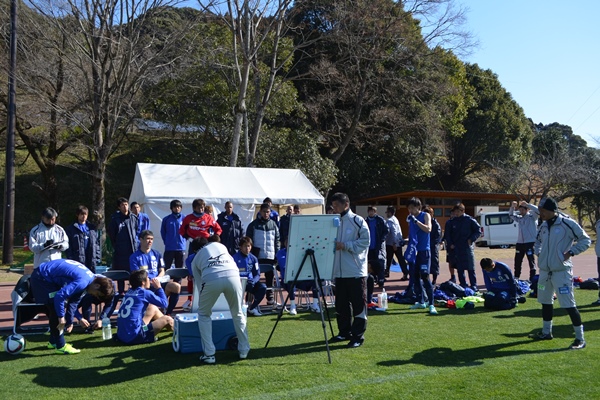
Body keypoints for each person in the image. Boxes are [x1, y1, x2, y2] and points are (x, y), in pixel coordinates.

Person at [529, 197, 591, 350]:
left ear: (551, 210)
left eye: (543, 210)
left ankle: (580, 338)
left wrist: (570, 252)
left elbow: (585, 240)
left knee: (568, 304)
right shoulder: (543, 225)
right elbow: (537, 241)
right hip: (545, 272)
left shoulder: (567, 223)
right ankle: (546, 332)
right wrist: (539, 253)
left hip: (561, 272)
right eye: (540, 210)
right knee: (545, 301)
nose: (541, 213)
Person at [29, 259, 114, 354]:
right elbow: (60, 296)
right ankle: (60, 346)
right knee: (54, 310)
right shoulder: (83, 282)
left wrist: (70, 322)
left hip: (46, 276)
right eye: (97, 294)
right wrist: (61, 317)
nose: (95, 296)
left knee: (54, 309)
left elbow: (74, 302)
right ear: (97, 286)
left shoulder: (89, 279)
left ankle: (53, 342)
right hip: (42, 277)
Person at [191, 238, 251, 364]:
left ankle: (209, 354)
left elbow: (200, 285)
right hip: (234, 275)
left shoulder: (195, 259)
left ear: (195, 250)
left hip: (211, 277)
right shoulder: (221, 245)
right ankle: (244, 350)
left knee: (203, 314)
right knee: (238, 312)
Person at [330, 192, 370, 348]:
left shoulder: (358, 221)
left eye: (336, 205)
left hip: (355, 272)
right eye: (333, 205)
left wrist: (345, 246)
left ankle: (358, 336)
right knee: (341, 305)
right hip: (339, 272)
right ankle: (344, 332)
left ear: (346, 204)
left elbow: (365, 242)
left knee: (358, 305)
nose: (334, 208)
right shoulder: (333, 221)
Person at [129, 230, 181, 315]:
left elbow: (162, 270)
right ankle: (151, 312)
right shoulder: (134, 257)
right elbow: (136, 274)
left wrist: (158, 278)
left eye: (151, 239)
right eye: (148, 239)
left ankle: (168, 313)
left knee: (176, 286)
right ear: (141, 240)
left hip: (157, 282)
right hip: (145, 285)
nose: (150, 241)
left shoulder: (157, 254)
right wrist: (148, 281)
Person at [116, 269, 174, 344]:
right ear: (143, 282)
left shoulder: (129, 292)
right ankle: (179, 329)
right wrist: (159, 288)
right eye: (148, 278)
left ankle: (170, 326)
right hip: (135, 335)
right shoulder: (144, 292)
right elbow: (164, 304)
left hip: (122, 335)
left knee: (152, 308)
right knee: (167, 319)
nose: (149, 280)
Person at [405, 198, 437, 315]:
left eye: (412, 208)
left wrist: (416, 221)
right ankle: (421, 301)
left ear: (418, 207)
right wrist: (405, 241)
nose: (410, 210)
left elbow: (428, 229)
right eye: (409, 208)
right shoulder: (410, 219)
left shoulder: (425, 215)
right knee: (415, 276)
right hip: (414, 252)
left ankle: (431, 304)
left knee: (425, 276)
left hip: (424, 251)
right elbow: (413, 236)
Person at [246, 203, 280, 306]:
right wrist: (251, 255)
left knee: (270, 278)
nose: (266, 214)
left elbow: (277, 240)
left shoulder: (274, 225)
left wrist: (277, 254)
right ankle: (249, 299)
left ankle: (270, 298)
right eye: (264, 211)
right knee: (253, 278)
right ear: (260, 212)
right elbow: (248, 241)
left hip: (270, 256)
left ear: (270, 212)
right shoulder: (253, 225)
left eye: (268, 212)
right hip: (257, 257)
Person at [276, 238, 321, 315]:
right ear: (285, 243)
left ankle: (315, 304)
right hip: (287, 280)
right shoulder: (280, 253)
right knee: (291, 282)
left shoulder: (299, 251)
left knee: (315, 280)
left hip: (301, 278)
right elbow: (284, 265)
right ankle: (293, 306)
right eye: (288, 243)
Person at [444, 203, 481, 291]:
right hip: (456, 247)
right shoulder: (451, 222)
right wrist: (450, 244)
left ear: (463, 211)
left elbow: (478, 230)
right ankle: (463, 284)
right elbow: (447, 235)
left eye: (458, 211)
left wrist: (471, 239)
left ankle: (473, 285)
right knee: (460, 268)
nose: (456, 213)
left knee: (470, 267)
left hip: (467, 247)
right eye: (455, 212)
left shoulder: (469, 220)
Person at [107, 197, 139, 294]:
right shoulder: (115, 219)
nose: (125, 207)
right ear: (119, 207)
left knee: (133, 271)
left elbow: (137, 231)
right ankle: (121, 291)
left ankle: (133, 289)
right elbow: (112, 234)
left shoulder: (133, 218)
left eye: (126, 204)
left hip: (132, 249)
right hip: (120, 250)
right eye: (122, 205)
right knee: (121, 271)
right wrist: (117, 245)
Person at [233, 236, 267, 316]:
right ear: (240, 247)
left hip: (250, 282)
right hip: (238, 282)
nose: (247, 248)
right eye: (245, 246)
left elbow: (257, 273)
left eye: (249, 246)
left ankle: (252, 308)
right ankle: (238, 309)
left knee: (262, 287)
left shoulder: (253, 258)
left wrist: (253, 281)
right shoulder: (234, 258)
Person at [509, 200, 540, 281]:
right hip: (520, 243)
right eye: (520, 210)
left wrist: (528, 205)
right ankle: (516, 277)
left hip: (530, 242)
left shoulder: (532, 217)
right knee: (517, 261)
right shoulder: (519, 218)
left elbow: (538, 211)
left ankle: (532, 278)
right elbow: (511, 215)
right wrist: (512, 207)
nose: (521, 211)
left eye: (523, 210)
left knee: (531, 260)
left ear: (527, 210)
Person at [65, 205, 101, 273]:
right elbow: (68, 246)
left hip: (91, 259)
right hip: (77, 260)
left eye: (85, 214)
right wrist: (71, 258)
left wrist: (97, 257)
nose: (84, 216)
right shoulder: (71, 229)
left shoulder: (92, 228)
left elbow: (96, 244)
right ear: (77, 215)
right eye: (82, 214)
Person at [366, 206, 388, 288]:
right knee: (370, 264)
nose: (371, 213)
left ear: (375, 212)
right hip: (369, 246)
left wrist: (382, 239)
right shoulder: (365, 221)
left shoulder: (380, 220)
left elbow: (386, 230)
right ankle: (372, 280)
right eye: (370, 211)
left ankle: (381, 280)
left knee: (380, 262)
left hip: (378, 246)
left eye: (373, 211)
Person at [384, 206, 408, 280]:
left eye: (387, 212)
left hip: (391, 243)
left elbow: (393, 231)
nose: (386, 214)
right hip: (397, 242)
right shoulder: (395, 219)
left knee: (389, 259)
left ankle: (386, 273)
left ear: (390, 213)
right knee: (399, 258)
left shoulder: (390, 221)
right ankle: (405, 272)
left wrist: (394, 243)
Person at [423, 205, 442, 285]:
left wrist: (430, 244)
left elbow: (437, 237)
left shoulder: (436, 224)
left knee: (434, 263)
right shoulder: (423, 223)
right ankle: (425, 280)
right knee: (424, 264)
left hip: (433, 247)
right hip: (424, 247)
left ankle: (434, 280)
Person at [443, 209, 458, 282]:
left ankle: (462, 277)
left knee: (460, 262)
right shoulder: (448, 222)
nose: (453, 215)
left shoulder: (460, 222)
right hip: (450, 246)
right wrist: (450, 244)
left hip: (459, 245)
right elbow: (446, 234)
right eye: (452, 214)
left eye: (454, 214)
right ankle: (452, 276)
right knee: (450, 261)